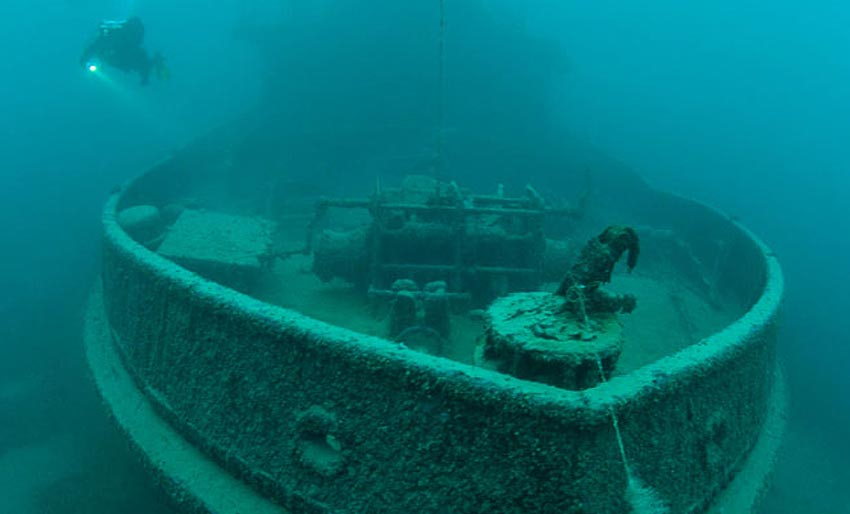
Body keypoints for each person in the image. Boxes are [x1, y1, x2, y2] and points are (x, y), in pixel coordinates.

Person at [80, 17, 168, 85]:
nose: (135, 36)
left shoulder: (135, 48)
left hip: (119, 62)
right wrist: (84, 60)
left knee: (143, 62)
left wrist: (145, 78)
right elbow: (94, 47)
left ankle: (157, 67)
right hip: (113, 61)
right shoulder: (113, 37)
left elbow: (143, 63)